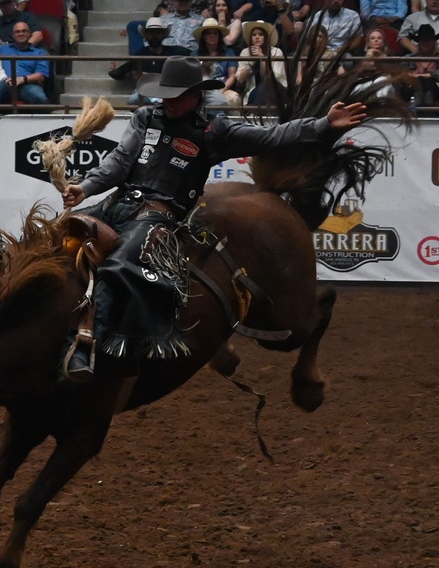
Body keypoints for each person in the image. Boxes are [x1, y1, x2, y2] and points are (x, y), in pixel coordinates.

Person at [59, 55, 367, 380]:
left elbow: (273, 137)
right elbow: (120, 161)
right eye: (166, 93)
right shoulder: (145, 117)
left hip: (158, 218)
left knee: (121, 265)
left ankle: (84, 344)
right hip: (116, 203)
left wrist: (324, 125)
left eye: (176, 94)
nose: (168, 100)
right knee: (57, 234)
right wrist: (86, 187)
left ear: (196, 95)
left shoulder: (213, 131)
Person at [117, 17, 191, 106]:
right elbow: (120, 74)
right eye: (151, 32)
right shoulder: (140, 54)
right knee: (133, 99)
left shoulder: (173, 53)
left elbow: (179, 75)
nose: (154, 35)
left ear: (162, 34)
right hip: (146, 91)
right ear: (146, 35)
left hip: (167, 90)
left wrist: (150, 77)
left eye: (158, 32)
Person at [0, 20, 50, 110]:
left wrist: (22, 79)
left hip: (27, 84)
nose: (21, 34)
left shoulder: (39, 53)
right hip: (6, 83)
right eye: (17, 31)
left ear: (29, 34)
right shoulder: (1, 49)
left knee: (40, 98)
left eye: (24, 31)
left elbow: (41, 75)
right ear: (13, 35)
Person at [235, 20, 287, 105]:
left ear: (266, 37)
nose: (257, 37)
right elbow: (240, 79)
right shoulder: (245, 52)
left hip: (276, 90)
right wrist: (252, 62)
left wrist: (262, 58)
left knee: (264, 87)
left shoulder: (276, 52)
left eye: (260, 34)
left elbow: (273, 78)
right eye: (254, 35)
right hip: (252, 93)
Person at [401, 23, 439, 105]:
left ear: (433, 42)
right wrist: (426, 76)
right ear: (419, 42)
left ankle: (425, 101)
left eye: (428, 40)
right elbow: (404, 74)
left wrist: (417, 75)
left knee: (428, 82)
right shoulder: (410, 58)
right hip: (412, 89)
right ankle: (421, 99)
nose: (426, 43)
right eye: (423, 40)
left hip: (435, 89)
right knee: (421, 82)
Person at [194, 18, 240, 106]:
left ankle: (234, 120)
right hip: (201, 90)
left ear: (219, 36)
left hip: (223, 88)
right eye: (208, 33)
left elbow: (232, 76)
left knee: (234, 98)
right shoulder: (195, 54)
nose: (212, 36)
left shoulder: (229, 52)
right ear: (204, 36)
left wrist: (222, 90)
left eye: (215, 33)